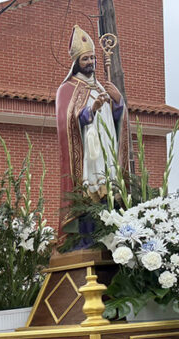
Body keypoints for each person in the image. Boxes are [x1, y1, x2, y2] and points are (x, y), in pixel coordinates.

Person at [56, 24, 125, 226]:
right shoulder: (67, 89)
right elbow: (68, 122)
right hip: (88, 155)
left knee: (111, 194)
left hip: (107, 150)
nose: (90, 63)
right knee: (91, 200)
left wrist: (118, 101)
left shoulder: (101, 86)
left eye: (93, 58)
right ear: (77, 63)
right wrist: (91, 110)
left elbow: (116, 121)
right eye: (85, 59)